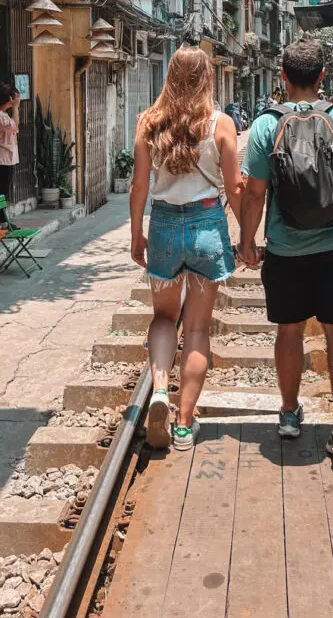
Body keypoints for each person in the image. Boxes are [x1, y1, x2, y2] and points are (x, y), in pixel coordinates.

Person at [239, 36, 333, 460]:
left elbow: (255, 193)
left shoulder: (264, 125)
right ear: (322, 76)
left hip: (285, 247)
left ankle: (290, 413)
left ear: (282, 77)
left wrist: (248, 241)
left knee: (289, 330)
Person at [130, 47, 243, 452]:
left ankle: (160, 388)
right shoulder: (221, 124)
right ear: (207, 78)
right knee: (195, 329)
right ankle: (182, 423)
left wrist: (135, 235)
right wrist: (247, 236)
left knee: (163, 317)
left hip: (162, 225)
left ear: (169, 76)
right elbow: (234, 188)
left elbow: (140, 186)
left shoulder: (149, 122)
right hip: (206, 225)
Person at [0, 82, 21, 225]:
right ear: (10, 99)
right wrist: (15, 108)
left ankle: (2, 221)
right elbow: (15, 127)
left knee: (2, 191)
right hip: (2, 157)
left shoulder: (1, 114)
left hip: (6, 157)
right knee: (0, 191)